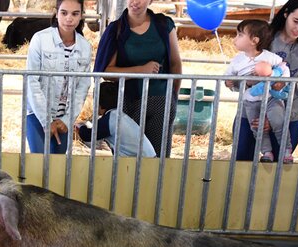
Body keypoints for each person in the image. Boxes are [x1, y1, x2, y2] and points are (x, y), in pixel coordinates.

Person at [234, 0, 298, 162]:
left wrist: (279, 117)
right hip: (250, 115)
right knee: (242, 167)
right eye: (296, 21)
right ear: (286, 14)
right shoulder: (264, 36)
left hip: (287, 117)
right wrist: (246, 82)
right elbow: (237, 77)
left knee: (278, 170)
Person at [93, 0, 182, 157]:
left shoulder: (164, 25)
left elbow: (175, 63)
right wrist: (141, 70)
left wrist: (173, 97)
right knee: (127, 158)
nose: (135, 2)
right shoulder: (117, 29)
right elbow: (106, 71)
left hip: (161, 101)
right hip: (128, 102)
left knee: (157, 158)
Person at [25, 0, 92, 154]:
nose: (69, 19)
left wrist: (67, 119)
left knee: (58, 164)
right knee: (38, 161)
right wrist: (46, 120)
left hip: (63, 118)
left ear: (81, 16)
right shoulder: (40, 39)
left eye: (75, 14)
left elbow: (83, 87)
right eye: (64, 13)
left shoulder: (85, 47)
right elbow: (32, 81)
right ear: (56, 13)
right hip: (37, 115)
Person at [225, 20, 290, 163]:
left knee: (278, 121)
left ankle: (286, 150)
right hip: (250, 101)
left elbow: (284, 67)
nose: (235, 39)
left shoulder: (269, 57)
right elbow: (229, 78)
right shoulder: (237, 61)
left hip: (271, 98)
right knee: (256, 127)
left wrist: (282, 82)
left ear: (254, 40)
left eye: (240, 35)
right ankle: (266, 152)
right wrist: (229, 83)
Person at [75, 81, 156, 157]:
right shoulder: (118, 115)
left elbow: (87, 135)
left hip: (141, 161)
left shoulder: (110, 120)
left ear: (99, 103)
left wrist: (79, 127)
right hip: (148, 158)